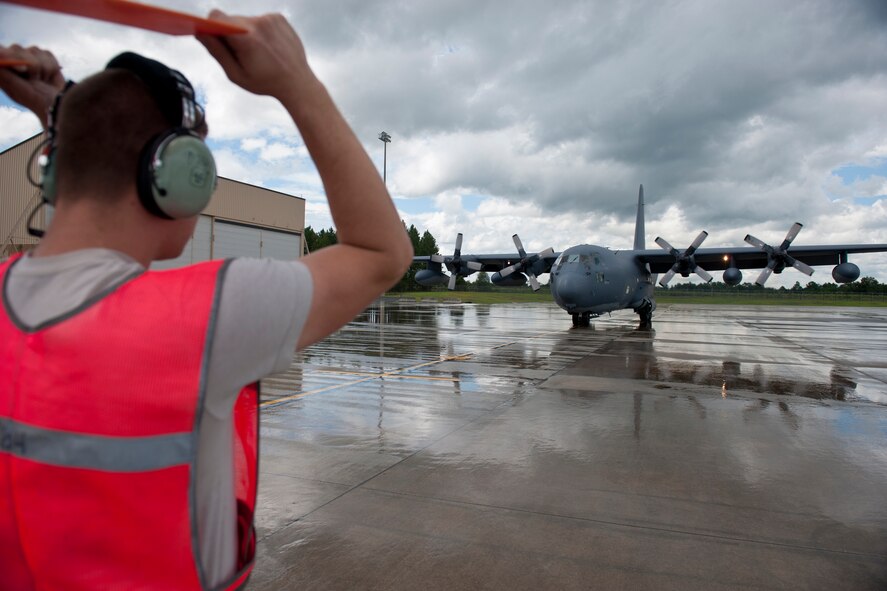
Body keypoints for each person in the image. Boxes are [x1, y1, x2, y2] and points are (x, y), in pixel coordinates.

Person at [0, 10, 413, 591]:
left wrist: (69, 123)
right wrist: (298, 82)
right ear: (177, 176)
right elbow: (382, 252)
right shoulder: (210, 314)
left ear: (53, 170)